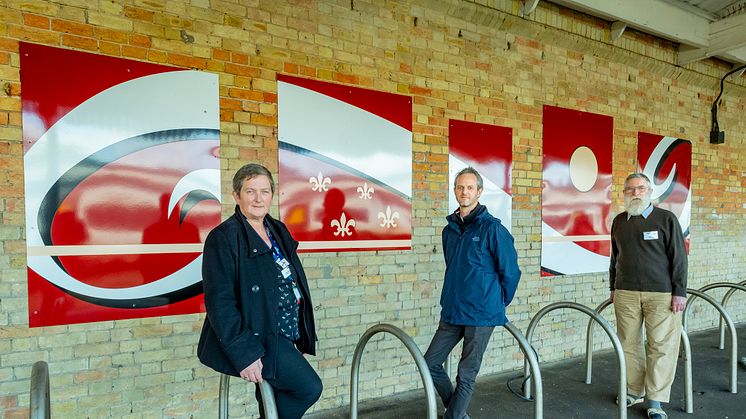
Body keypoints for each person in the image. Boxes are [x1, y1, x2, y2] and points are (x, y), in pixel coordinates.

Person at [198, 163, 322, 419]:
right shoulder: (224, 237)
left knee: (274, 401)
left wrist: (298, 333)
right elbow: (219, 302)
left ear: (272, 196)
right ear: (236, 196)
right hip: (260, 337)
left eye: (264, 192)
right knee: (308, 388)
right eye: (250, 191)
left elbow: (290, 281)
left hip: (284, 333)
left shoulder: (277, 229)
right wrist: (245, 354)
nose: (258, 199)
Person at [424, 167, 522, 419]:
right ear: (455, 191)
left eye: (469, 187)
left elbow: (510, 272)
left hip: (481, 313)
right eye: (460, 187)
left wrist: (498, 303)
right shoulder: (450, 230)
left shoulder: (493, 230)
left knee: (466, 374)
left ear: (479, 191)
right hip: (454, 309)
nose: (464, 192)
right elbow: (453, 267)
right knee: (430, 362)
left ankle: (453, 416)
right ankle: (456, 413)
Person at [610, 173, 687, 419]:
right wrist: (613, 286)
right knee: (628, 344)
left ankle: (656, 400)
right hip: (626, 292)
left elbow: (679, 258)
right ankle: (634, 390)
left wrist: (680, 292)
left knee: (661, 347)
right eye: (630, 189)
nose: (635, 193)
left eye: (640, 188)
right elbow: (615, 257)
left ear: (650, 191)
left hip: (661, 294)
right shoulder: (619, 221)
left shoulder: (666, 219)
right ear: (624, 193)